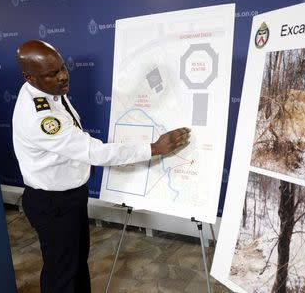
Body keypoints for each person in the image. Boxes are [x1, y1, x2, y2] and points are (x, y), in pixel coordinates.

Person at [12, 40, 190, 293]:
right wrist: (153, 148)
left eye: (63, 67)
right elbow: (94, 151)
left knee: (75, 264)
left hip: (68, 198)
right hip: (54, 204)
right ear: (29, 77)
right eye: (53, 74)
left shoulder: (43, 90)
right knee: (61, 274)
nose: (63, 76)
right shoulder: (41, 118)